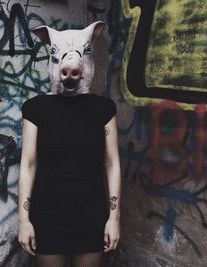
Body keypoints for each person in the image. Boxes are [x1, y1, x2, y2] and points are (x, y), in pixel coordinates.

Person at [18, 21, 121, 267]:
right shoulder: (35, 108)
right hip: (47, 215)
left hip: (91, 216)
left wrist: (114, 219)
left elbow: (112, 163)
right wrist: (23, 221)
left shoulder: (104, 109)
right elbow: (28, 164)